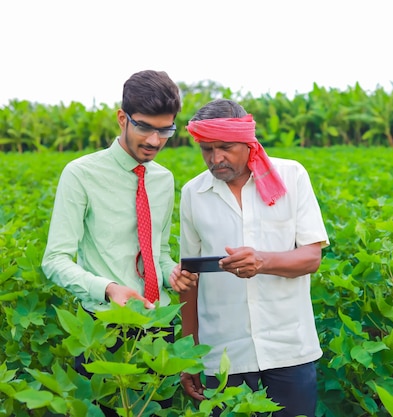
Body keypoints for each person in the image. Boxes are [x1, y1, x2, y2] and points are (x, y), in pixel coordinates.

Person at [41, 70, 199, 413]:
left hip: (158, 329)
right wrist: (109, 288)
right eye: (145, 127)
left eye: (165, 130)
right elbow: (55, 259)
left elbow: (159, 251)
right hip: (104, 332)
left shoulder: (162, 179)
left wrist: (173, 273)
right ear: (122, 118)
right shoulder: (81, 173)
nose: (155, 141)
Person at [179, 98, 329, 416]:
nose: (215, 158)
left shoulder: (291, 177)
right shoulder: (194, 194)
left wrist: (262, 261)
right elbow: (190, 278)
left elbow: (311, 258)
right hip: (223, 354)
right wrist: (188, 353)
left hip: (289, 347)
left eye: (225, 147)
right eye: (206, 149)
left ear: (249, 142)